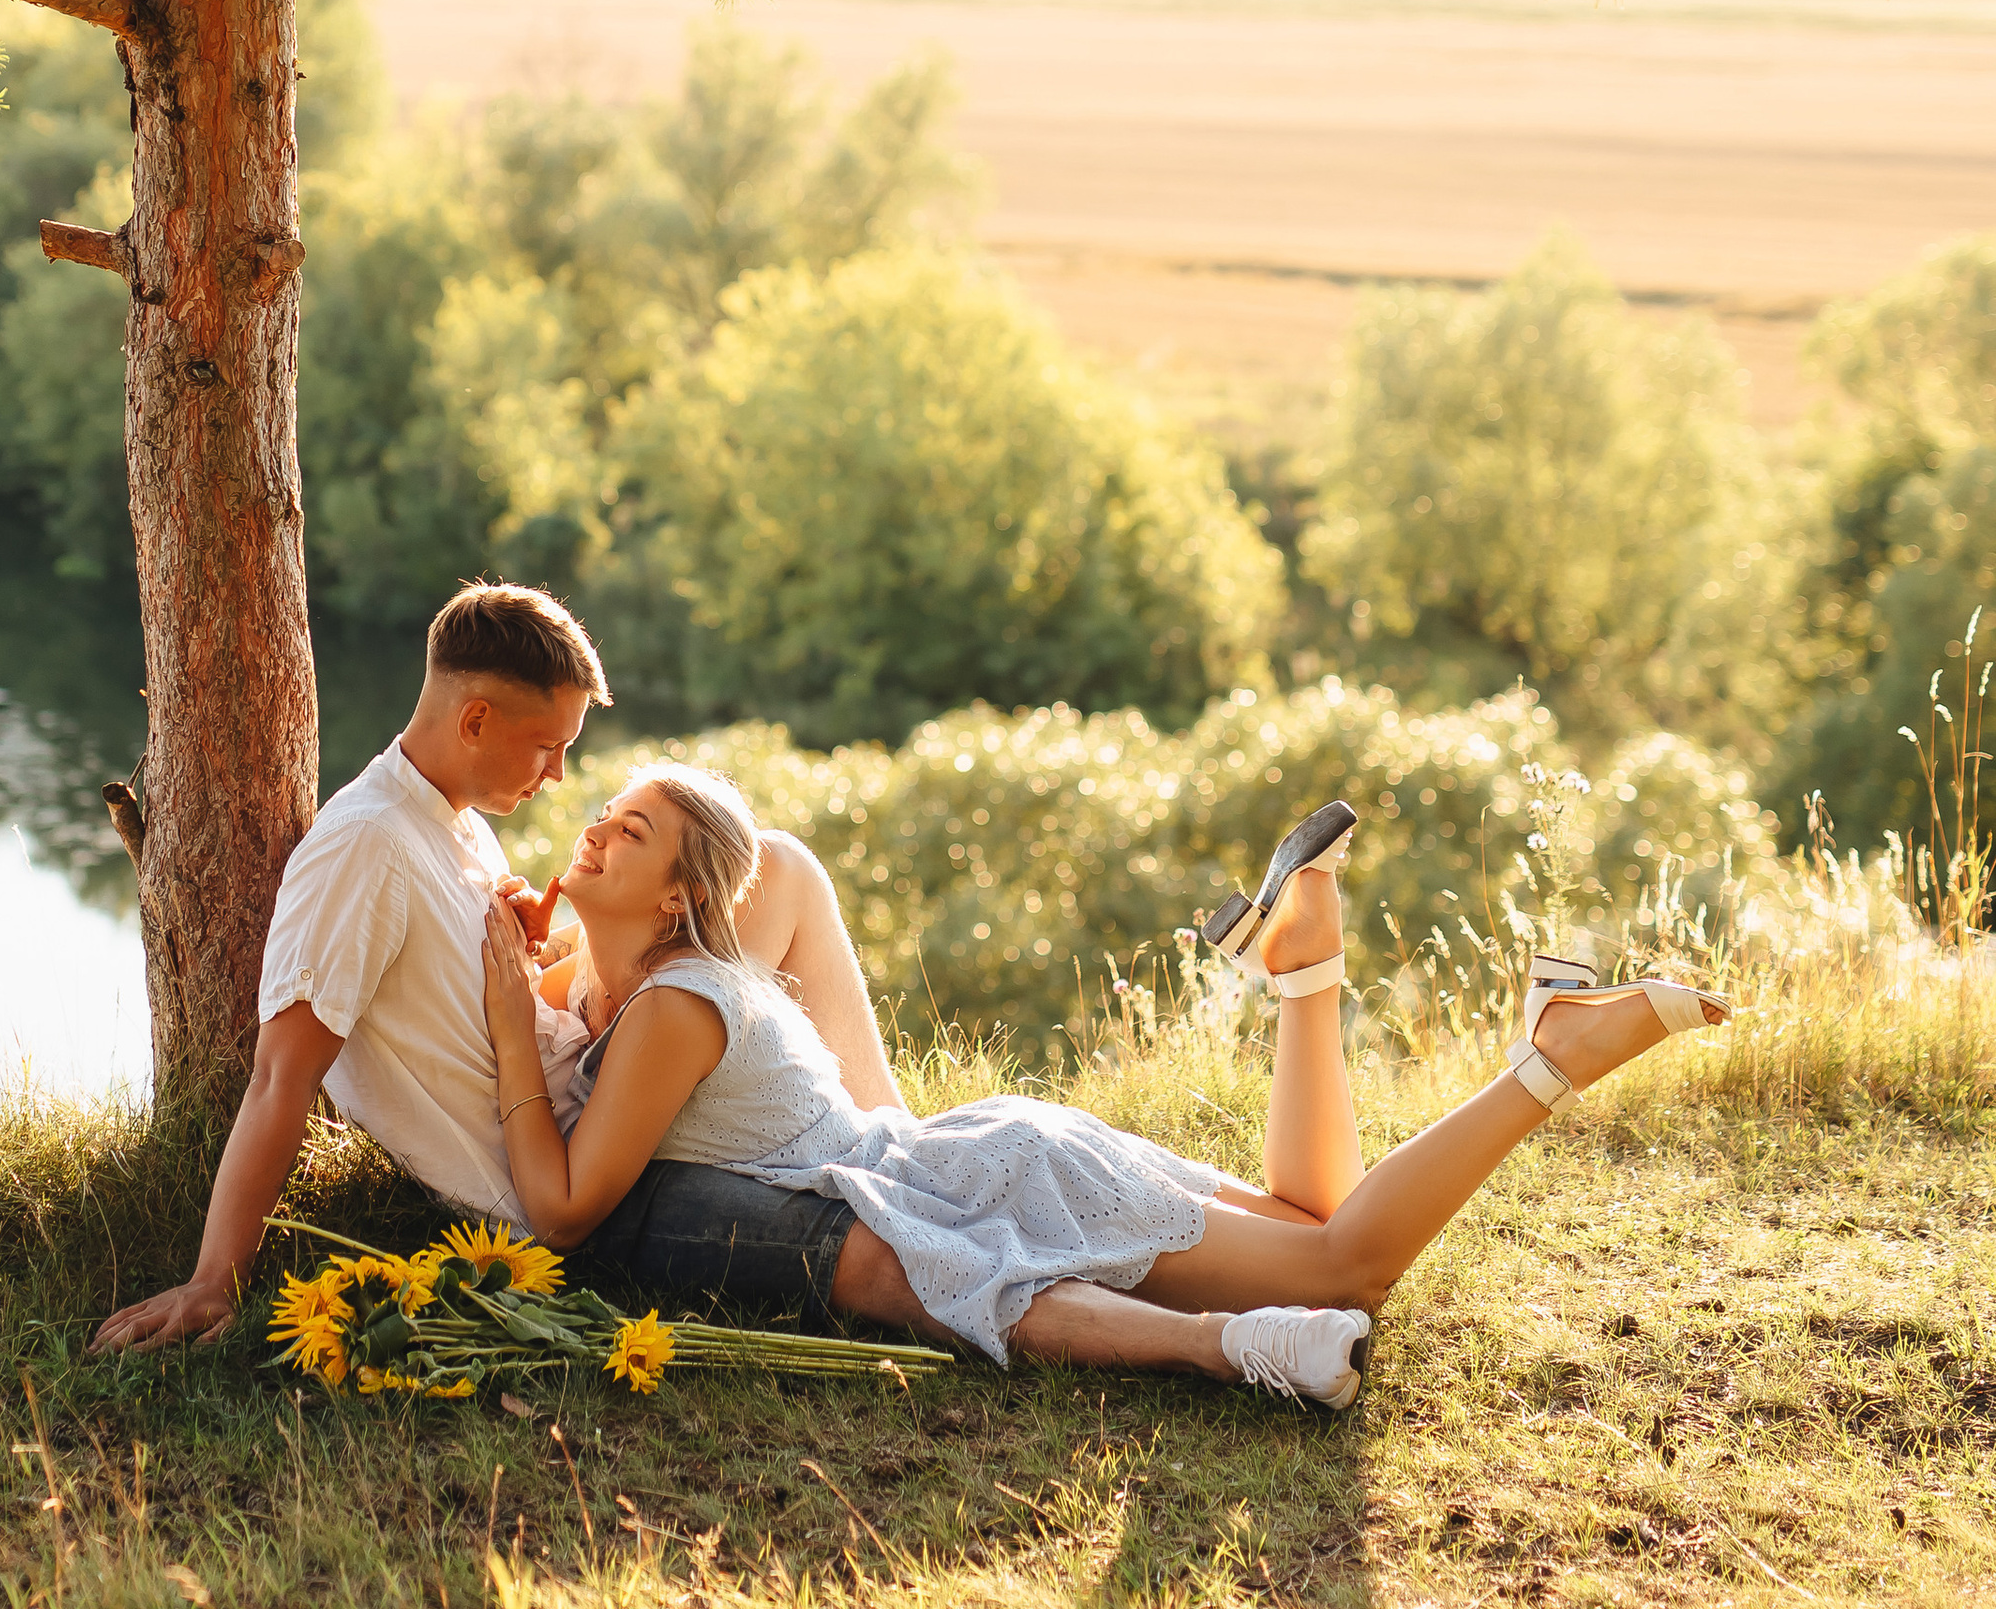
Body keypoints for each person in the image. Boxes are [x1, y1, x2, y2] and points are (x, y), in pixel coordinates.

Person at [480, 761, 1733, 1407]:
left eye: (627, 830)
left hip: (992, 1177)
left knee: (1342, 1265)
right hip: (984, 1151)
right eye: (599, 810)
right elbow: (646, 971)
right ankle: (1305, 968)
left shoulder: (670, 1007)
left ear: (684, 896)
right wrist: (545, 967)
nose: (590, 829)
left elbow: (565, 1206)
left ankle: (1546, 1059)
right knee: (1306, 1223)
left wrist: (502, 995)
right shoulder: (629, 988)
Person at [89, 580, 932, 1354]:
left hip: (598, 1094)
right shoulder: (364, 849)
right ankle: (902, 1173)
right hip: (568, 1174)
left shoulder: (452, 821)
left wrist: (538, 948)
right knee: (889, 1251)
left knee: (779, 867)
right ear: (476, 720)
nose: (558, 773)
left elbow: (468, 988)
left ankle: (896, 1146)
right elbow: (281, 1076)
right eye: (545, 745)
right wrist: (213, 1280)